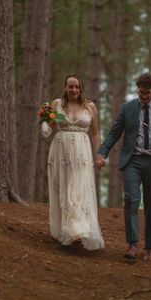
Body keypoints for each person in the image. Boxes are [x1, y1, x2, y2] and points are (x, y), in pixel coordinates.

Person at [95, 72, 151, 261]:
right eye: (140, 93)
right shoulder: (128, 108)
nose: (143, 97)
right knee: (131, 199)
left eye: (147, 93)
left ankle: (149, 247)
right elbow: (114, 133)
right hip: (133, 161)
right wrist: (102, 152)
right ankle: (132, 244)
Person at [41, 74, 104, 251]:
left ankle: (79, 230)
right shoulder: (57, 104)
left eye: (77, 86)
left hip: (82, 153)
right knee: (63, 187)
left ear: (81, 88)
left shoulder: (90, 107)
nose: (74, 90)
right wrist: (45, 124)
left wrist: (99, 155)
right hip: (61, 152)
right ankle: (68, 230)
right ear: (65, 88)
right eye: (70, 86)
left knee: (79, 188)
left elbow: (95, 133)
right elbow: (50, 125)